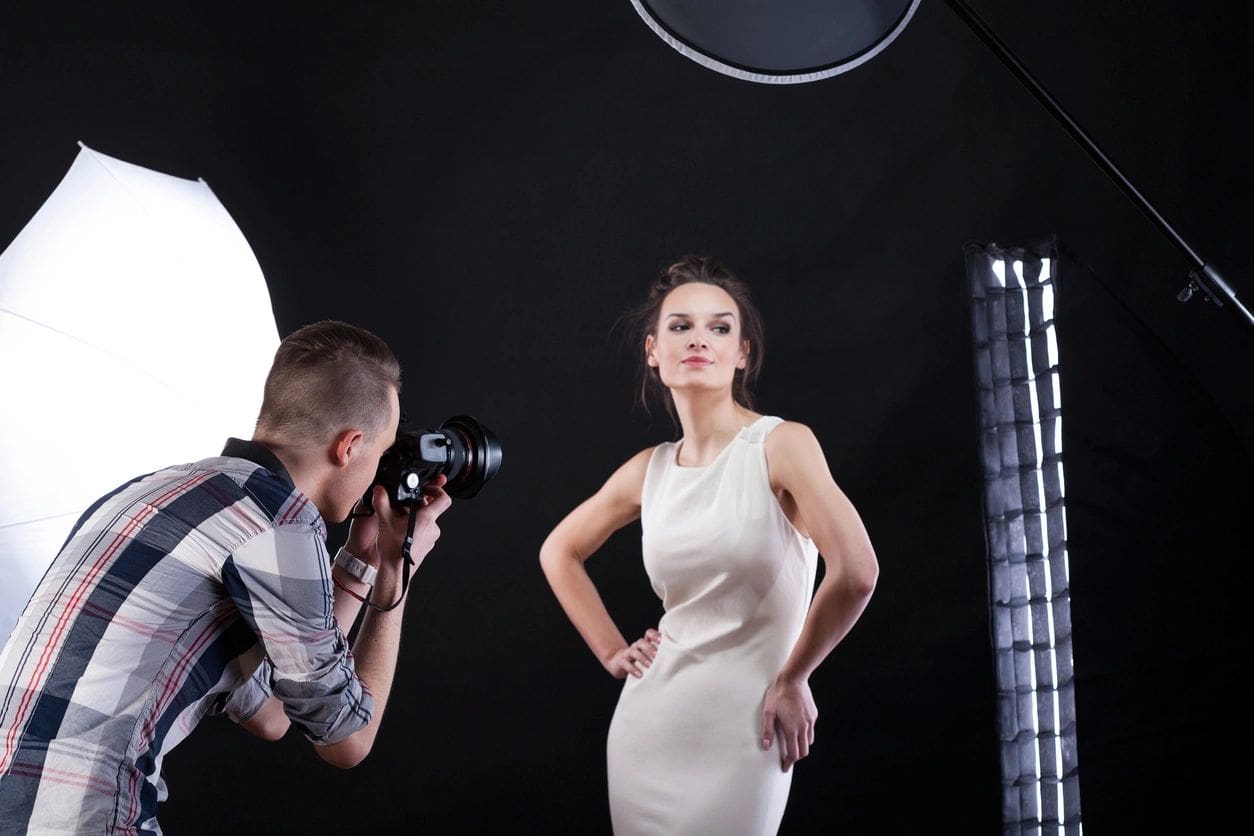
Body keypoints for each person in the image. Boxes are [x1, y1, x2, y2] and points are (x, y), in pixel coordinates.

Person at [0, 320, 450, 834]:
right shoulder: (278, 522)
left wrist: (361, 559)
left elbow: (274, 714)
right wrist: (396, 574)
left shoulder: (163, 489)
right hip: (86, 817)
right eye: (382, 450)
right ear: (349, 447)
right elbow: (348, 740)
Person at [539, 256, 879, 835]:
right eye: (680, 326)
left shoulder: (782, 445)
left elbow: (857, 572)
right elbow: (558, 551)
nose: (700, 339)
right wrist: (611, 651)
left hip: (750, 727)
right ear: (653, 350)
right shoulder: (651, 469)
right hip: (648, 727)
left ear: (742, 351)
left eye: (720, 327)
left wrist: (795, 677)